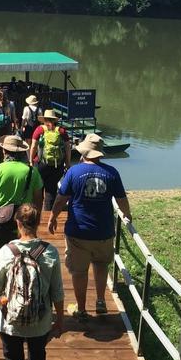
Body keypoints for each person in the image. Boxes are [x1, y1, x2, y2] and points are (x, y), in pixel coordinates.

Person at [0, 204, 64, 360]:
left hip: (10, 320)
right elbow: (57, 290)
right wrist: (59, 318)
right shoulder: (50, 252)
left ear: (17, 223)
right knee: (37, 356)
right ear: (37, 223)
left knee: (13, 359)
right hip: (40, 321)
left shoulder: (6, 251)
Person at [47, 134, 131, 319]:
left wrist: (52, 216)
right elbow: (122, 200)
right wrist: (127, 215)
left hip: (78, 233)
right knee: (101, 266)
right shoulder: (112, 173)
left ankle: (82, 308)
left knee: (79, 271)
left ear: (84, 151)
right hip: (104, 232)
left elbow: (61, 198)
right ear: (100, 153)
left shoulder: (74, 172)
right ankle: (101, 301)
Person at [0, 135, 44, 253]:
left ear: (4, 150)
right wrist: (35, 225)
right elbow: (39, 201)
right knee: (22, 257)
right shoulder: (32, 172)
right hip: (23, 223)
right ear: (21, 152)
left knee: (1, 257)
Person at [29, 109, 71, 210]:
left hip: (41, 164)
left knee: (38, 189)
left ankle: (36, 213)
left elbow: (34, 146)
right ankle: (48, 214)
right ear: (55, 120)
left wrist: (31, 161)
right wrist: (67, 163)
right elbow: (67, 148)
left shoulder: (40, 129)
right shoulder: (61, 131)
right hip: (57, 165)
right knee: (51, 190)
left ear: (44, 119)